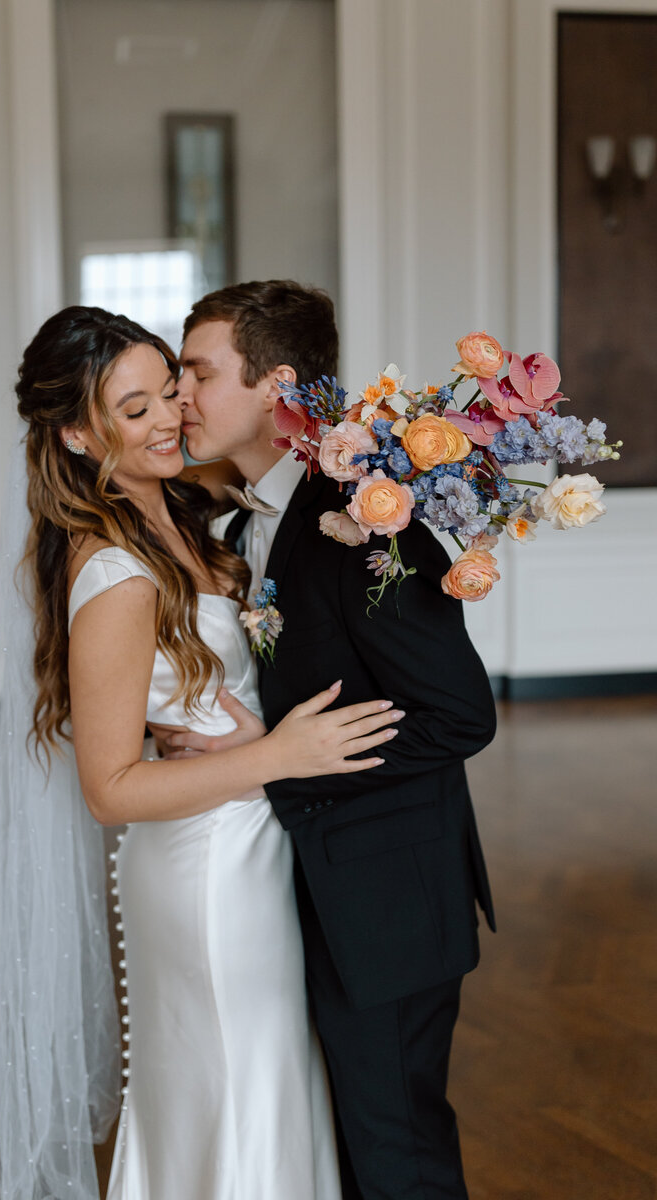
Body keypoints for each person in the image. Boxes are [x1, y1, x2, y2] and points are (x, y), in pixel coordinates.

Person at [0, 304, 404, 1200]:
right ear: (81, 436)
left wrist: (258, 733)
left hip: (251, 843)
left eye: (170, 389)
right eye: (136, 411)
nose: (170, 417)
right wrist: (280, 752)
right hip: (206, 873)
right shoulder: (113, 575)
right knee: (237, 1093)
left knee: (263, 1091)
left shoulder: (184, 512)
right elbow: (112, 789)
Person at [167, 280, 497, 1200]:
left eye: (199, 370)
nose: (181, 391)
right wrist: (272, 744)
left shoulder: (358, 524)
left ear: (276, 383)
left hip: (387, 898)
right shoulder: (251, 515)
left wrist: (295, 761)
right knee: (351, 1147)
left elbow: (462, 714)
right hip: (317, 886)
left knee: (397, 1156)